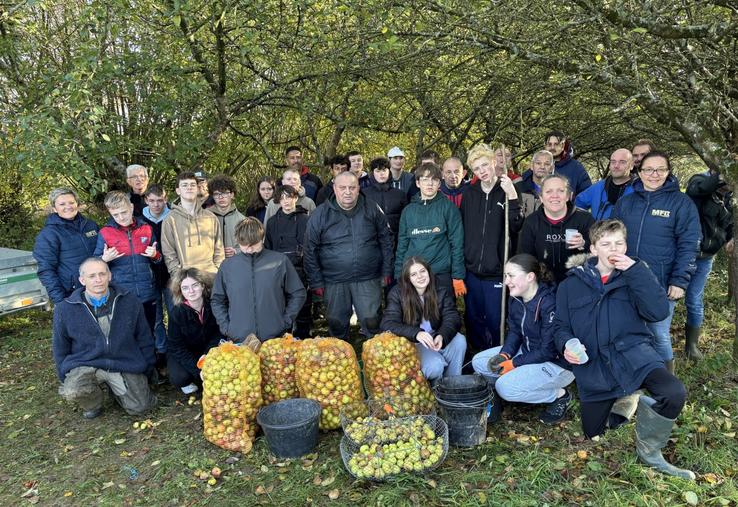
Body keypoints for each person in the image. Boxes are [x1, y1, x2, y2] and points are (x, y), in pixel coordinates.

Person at [555, 219, 694, 480]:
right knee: (593, 432)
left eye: (619, 242)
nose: (613, 248)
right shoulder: (569, 285)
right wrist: (565, 345)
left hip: (634, 355)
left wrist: (637, 272)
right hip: (594, 366)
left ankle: (650, 452)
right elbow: (561, 327)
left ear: (626, 245)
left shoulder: (636, 274)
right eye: (606, 243)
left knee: (674, 393)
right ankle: (627, 400)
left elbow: (658, 312)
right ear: (594, 249)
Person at [612, 152, 700, 370]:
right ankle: (633, 376)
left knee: (658, 334)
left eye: (660, 169)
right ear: (639, 173)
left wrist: (680, 281)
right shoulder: (626, 203)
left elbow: (690, 244)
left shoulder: (681, 203)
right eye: (649, 169)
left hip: (661, 282)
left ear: (668, 172)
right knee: (626, 329)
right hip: (625, 280)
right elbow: (610, 236)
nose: (654, 174)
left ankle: (667, 385)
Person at [472, 254, 574, 424]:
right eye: (505, 276)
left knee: (505, 387)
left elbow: (548, 350)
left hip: (556, 365)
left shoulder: (549, 303)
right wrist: (504, 355)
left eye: (511, 276)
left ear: (530, 277)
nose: (506, 282)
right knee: (479, 362)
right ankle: (495, 399)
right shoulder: (516, 298)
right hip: (528, 351)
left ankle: (559, 396)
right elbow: (515, 332)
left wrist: (514, 363)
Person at [52, 258, 157, 419]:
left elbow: (144, 337)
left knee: (141, 407)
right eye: (92, 276)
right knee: (73, 388)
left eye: (102, 274)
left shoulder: (129, 301)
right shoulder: (65, 309)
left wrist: (147, 368)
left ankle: (116, 390)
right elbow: (60, 347)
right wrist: (65, 375)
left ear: (110, 275)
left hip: (123, 361)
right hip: (86, 362)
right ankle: (93, 403)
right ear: (82, 280)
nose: (98, 279)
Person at [304, 171, 394, 339]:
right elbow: (310, 250)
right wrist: (316, 281)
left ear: (359, 188)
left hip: (368, 277)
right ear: (334, 188)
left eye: (352, 187)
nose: (347, 192)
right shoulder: (320, 214)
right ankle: (340, 359)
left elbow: (387, 240)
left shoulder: (372, 208)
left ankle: (375, 360)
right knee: (336, 323)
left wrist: (387, 270)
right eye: (343, 187)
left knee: (372, 321)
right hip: (334, 280)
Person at [461, 144, 523, 350]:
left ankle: (497, 357)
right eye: (477, 168)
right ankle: (476, 358)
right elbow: (464, 227)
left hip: (496, 271)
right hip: (472, 271)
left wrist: (512, 197)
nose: (483, 171)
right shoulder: (469, 193)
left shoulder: (506, 190)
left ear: (494, 163)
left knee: (496, 320)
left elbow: (516, 226)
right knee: (473, 319)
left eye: (485, 165)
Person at [211, 217, 306, 342]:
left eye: (254, 245)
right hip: (239, 339)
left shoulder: (279, 261)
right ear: (237, 241)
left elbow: (298, 293)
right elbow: (217, 299)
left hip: (275, 338)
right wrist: (227, 327)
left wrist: (285, 321)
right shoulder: (227, 266)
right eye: (244, 245)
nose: (249, 249)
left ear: (262, 238)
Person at [381, 257, 467, 381]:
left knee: (459, 340)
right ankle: (434, 389)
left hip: (435, 338)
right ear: (408, 279)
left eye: (422, 271)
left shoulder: (440, 289)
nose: (420, 276)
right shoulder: (397, 293)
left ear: (428, 272)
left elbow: (452, 316)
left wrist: (442, 335)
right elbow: (387, 323)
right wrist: (416, 333)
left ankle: (452, 383)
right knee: (435, 366)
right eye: (414, 274)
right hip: (414, 343)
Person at [94, 190, 161, 335]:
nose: (121, 217)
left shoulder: (146, 228)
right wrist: (104, 260)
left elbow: (160, 260)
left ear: (131, 207)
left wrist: (155, 255)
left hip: (147, 292)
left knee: (148, 333)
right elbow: (95, 265)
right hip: (121, 295)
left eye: (124, 212)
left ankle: (151, 358)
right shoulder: (105, 233)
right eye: (115, 215)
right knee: (126, 336)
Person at [683, 169, 733, 359]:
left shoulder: (730, 197)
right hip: (685, 254)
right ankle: (660, 342)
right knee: (670, 296)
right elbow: (698, 189)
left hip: (706, 257)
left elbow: (730, 223)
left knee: (694, 300)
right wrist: (721, 175)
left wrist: (731, 237)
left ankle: (692, 346)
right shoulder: (699, 181)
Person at [395, 163, 465, 296]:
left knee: (443, 314)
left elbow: (457, 244)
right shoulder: (408, 211)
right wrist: (399, 275)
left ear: (439, 184)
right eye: (425, 179)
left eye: (434, 180)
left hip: (440, 275)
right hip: (414, 276)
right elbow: (402, 246)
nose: (430, 183)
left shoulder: (449, 208)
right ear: (417, 183)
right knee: (414, 315)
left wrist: (457, 276)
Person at [518, 174, 595, 283]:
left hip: (578, 283)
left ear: (568, 196)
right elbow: (525, 259)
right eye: (549, 191)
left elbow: (600, 253)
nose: (555, 196)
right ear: (541, 197)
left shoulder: (584, 219)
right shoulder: (531, 222)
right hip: (543, 285)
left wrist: (584, 244)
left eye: (560, 191)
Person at [33, 188, 99, 304]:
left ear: (77, 204)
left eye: (71, 202)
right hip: (72, 294)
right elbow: (46, 270)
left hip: (99, 287)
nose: (68, 206)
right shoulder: (49, 234)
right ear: (54, 208)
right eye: (62, 204)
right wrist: (60, 301)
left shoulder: (91, 226)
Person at [265, 185, 312, 338]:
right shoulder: (272, 222)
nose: (286, 201)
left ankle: (304, 339)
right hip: (279, 272)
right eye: (282, 198)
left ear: (295, 198)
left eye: (289, 197)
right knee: (282, 309)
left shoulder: (305, 219)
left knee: (303, 308)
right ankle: (284, 342)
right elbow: (268, 249)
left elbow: (311, 248)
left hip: (301, 271)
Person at [167, 268, 222, 394]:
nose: (191, 291)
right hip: (186, 352)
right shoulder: (177, 312)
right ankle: (194, 380)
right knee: (179, 378)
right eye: (185, 288)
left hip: (208, 350)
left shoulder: (213, 305)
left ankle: (202, 379)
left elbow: (218, 333)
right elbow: (176, 347)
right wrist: (198, 369)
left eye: (195, 285)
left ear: (203, 286)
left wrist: (208, 354)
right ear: (180, 291)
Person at [161, 171, 224, 276]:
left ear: (197, 188)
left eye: (192, 185)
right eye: (184, 185)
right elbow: (169, 253)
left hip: (211, 276)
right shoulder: (170, 220)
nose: (189, 188)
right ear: (178, 191)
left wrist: (217, 270)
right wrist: (178, 276)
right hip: (186, 279)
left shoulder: (210, 217)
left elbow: (219, 249)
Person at [141, 185, 172, 374]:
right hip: (149, 276)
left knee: (175, 313)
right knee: (157, 318)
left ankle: (176, 350)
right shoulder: (140, 220)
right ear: (146, 200)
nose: (156, 204)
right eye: (152, 200)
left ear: (165, 199)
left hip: (170, 274)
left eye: (160, 200)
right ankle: (161, 353)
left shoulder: (173, 216)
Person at [575, 148, 635, 220]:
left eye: (622, 162)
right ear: (609, 165)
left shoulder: (638, 189)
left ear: (631, 165)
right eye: (613, 162)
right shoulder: (598, 187)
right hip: (598, 230)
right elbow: (577, 204)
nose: (616, 166)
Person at [363, 157, 408, 241]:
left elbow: (406, 221)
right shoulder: (364, 194)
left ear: (389, 172)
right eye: (378, 171)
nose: (381, 174)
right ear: (372, 173)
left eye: (384, 170)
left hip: (396, 240)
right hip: (372, 241)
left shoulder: (400, 194)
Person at [208, 174, 246, 258]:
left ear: (232, 194)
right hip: (211, 266)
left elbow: (251, 246)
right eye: (217, 194)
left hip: (234, 265)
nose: (221, 197)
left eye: (225, 193)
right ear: (212, 196)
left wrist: (237, 251)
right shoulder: (205, 218)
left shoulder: (242, 220)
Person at [544, 130, 592, 197]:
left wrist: (571, 205)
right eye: (549, 144)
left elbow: (587, 194)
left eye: (556, 144)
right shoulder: (538, 165)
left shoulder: (576, 167)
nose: (552, 147)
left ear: (563, 145)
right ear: (545, 146)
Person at [515, 150, 554, 218]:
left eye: (547, 164)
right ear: (532, 166)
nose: (542, 167)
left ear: (551, 168)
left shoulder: (557, 188)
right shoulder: (517, 185)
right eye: (538, 163)